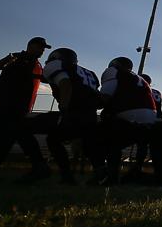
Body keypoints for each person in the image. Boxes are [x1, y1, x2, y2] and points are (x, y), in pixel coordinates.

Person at [27, 47, 107, 184]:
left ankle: (40, 166)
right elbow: (98, 99)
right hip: (90, 117)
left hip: (71, 113)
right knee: (54, 139)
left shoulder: (55, 65)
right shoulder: (89, 73)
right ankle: (73, 176)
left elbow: (65, 84)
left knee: (22, 127)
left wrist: (64, 110)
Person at [0, 37, 51, 180]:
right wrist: (8, 58)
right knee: (13, 135)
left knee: (3, 138)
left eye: (44, 48)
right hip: (9, 105)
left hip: (20, 106)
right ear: (31, 46)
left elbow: (42, 78)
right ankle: (40, 166)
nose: (42, 51)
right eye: (40, 47)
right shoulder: (18, 58)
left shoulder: (37, 64)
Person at [98, 56, 158, 184]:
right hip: (150, 119)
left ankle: (110, 175)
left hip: (129, 115)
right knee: (137, 143)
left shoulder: (113, 71)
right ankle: (136, 170)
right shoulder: (140, 79)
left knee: (105, 139)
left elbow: (105, 96)